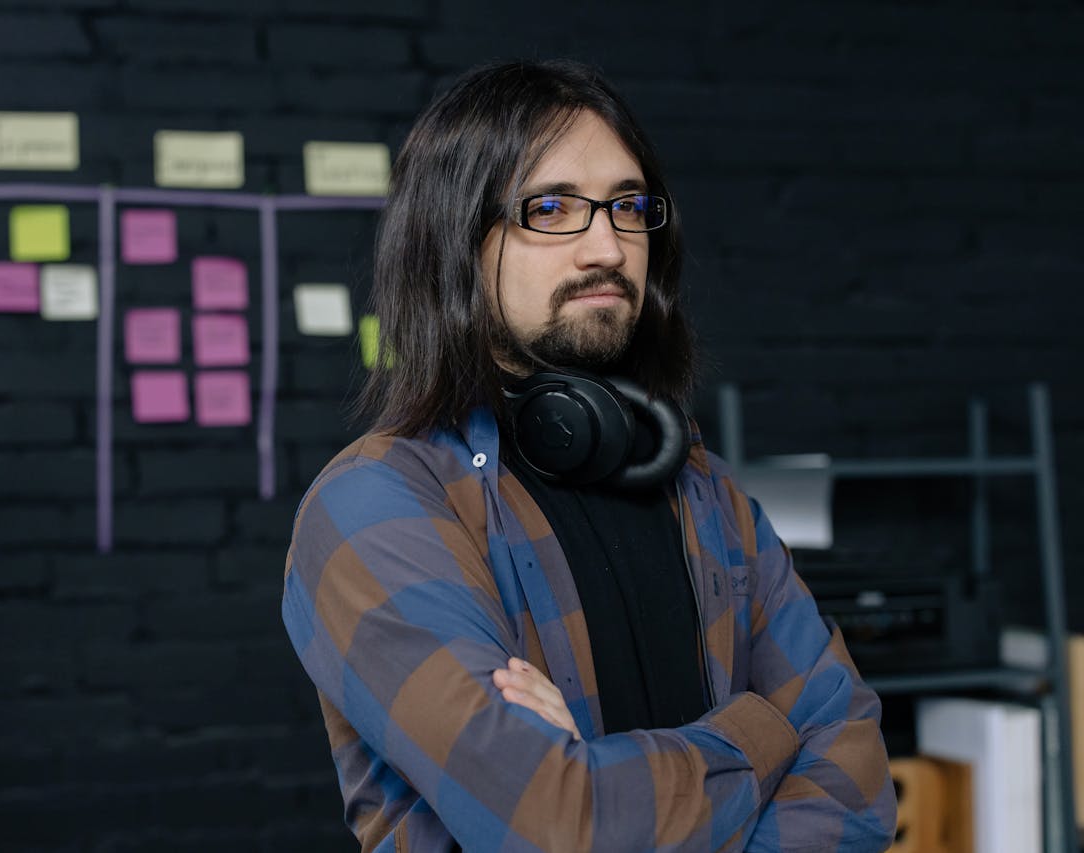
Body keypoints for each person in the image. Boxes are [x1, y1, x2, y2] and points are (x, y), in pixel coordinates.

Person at [282, 59, 896, 852]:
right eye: (550, 208)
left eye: (627, 206)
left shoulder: (705, 492)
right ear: (455, 240)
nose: (606, 246)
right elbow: (561, 824)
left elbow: (860, 788)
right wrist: (766, 729)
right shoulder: (375, 506)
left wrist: (601, 775)